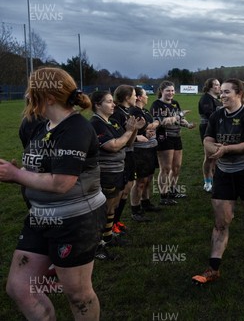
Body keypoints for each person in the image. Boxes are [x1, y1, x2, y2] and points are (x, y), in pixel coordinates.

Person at [0, 67, 105, 320]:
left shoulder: (76, 128)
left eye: (31, 90)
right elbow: (39, 168)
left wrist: (16, 175)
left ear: (48, 97)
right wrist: (21, 171)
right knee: (20, 288)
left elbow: (62, 183)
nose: (26, 94)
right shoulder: (38, 126)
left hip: (76, 221)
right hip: (40, 216)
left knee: (78, 294)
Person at [192, 79, 244, 285]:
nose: (222, 95)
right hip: (225, 174)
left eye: (227, 92)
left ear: (238, 93)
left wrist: (227, 149)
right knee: (220, 223)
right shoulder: (217, 115)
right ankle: (213, 268)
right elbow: (207, 140)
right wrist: (214, 150)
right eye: (221, 92)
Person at [90, 90, 143, 258]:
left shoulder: (111, 122)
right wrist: (128, 132)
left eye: (113, 101)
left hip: (118, 169)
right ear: (97, 105)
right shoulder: (96, 123)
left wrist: (133, 129)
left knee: (112, 206)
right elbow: (112, 146)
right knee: (103, 209)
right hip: (106, 173)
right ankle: (97, 246)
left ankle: (107, 237)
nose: (113, 105)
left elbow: (128, 143)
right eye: (109, 102)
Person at [150, 81, 195, 205]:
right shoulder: (156, 105)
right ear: (162, 91)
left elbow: (179, 118)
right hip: (164, 138)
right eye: (168, 91)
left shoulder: (175, 103)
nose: (171, 93)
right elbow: (162, 122)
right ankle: (164, 196)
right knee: (166, 168)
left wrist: (187, 124)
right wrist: (179, 116)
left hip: (176, 137)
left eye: (172, 90)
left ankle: (173, 190)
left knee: (176, 167)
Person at [109, 85, 139, 233]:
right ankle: (110, 224)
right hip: (122, 157)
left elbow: (130, 141)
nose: (136, 97)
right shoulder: (116, 114)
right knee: (119, 191)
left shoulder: (127, 112)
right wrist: (131, 131)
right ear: (127, 98)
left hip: (130, 154)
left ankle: (116, 221)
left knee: (127, 188)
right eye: (134, 95)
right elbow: (121, 140)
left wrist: (136, 128)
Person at [130, 86, 161, 220]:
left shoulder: (145, 111)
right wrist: (153, 125)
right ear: (139, 97)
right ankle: (135, 209)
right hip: (139, 151)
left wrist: (151, 126)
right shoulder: (134, 111)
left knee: (148, 178)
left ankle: (146, 202)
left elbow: (150, 126)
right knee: (140, 181)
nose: (148, 97)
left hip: (150, 149)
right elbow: (147, 126)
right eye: (145, 95)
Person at [198, 78, 222, 193]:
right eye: (216, 85)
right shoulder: (206, 99)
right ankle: (207, 181)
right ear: (210, 87)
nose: (219, 86)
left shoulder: (217, 99)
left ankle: (216, 180)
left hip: (218, 130)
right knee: (209, 157)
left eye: (219, 84)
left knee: (217, 157)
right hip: (207, 130)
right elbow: (210, 115)